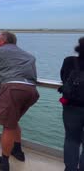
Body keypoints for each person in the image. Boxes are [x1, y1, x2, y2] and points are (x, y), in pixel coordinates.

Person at [0, 32, 40, 171]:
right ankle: (17, 151)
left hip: (12, 89)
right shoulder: (29, 55)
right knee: (13, 121)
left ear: (3, 41)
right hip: (31, 90)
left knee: (8, 126)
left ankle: (4, 161)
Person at [60, 37, 84, 171]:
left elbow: (64, 79)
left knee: (71, 139)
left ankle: (70, 168)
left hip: (71, 106)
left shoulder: (69, 61)